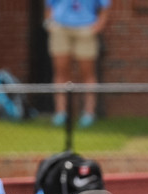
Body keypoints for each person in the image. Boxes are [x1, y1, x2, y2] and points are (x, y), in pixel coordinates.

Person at [44, 0, 111, 128]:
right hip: (60, 27)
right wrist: (50, 24)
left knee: (87, 73)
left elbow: (104, 8)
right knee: (61, 72)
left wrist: (98, 26)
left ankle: (89, 113)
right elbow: (49, 6)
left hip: (86, 28)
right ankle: (61, 113)